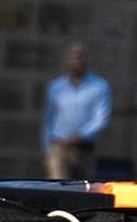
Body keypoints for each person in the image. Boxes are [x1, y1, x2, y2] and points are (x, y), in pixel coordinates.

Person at [39, 42, 114, 182]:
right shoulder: (55, 87)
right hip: (59, 147)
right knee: (57, 187)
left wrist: (82, 135)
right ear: (66, 60)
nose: (77, 61)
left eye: (80, 57)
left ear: (86, 60)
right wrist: (47, 149)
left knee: (82, 191)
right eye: (73, 57)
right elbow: (48, 119)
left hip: (84, 150)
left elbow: (101, 118)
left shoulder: (99, 86)